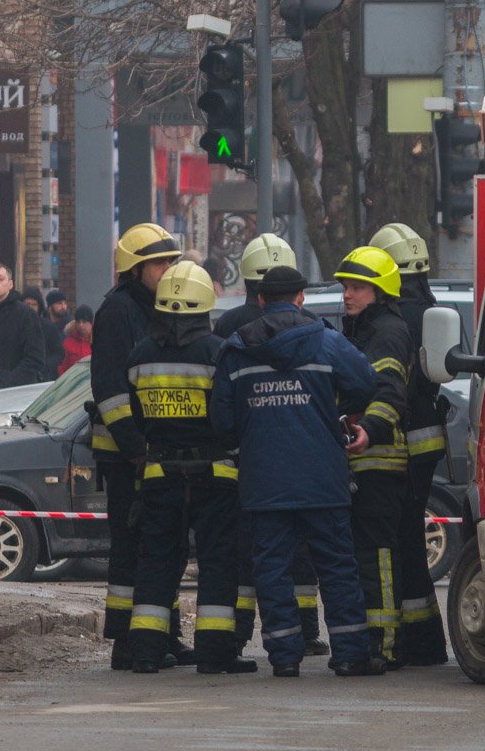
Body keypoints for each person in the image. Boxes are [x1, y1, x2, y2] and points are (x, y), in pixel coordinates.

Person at [211, 265, 385, 678]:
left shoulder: (236, 350)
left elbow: (221, 421)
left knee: (271, 568)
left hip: (263, 480)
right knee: (337, 566)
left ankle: (284, 657)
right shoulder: (328, 343)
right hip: (322, 477)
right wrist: (332, 407)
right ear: (302, 296)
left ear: (259, 299)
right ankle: (350, 654)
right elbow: (365, 382)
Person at [125, 262, 256, 675]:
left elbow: (138, 417)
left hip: (159, 473)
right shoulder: (219, 352)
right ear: (206, 305)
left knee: (156, 561)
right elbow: (231, 416)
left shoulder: (140, 354)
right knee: (218, 562)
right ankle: (215, 655)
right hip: (215, 473)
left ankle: (145, 653)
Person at [213, 233, 327, 657]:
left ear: (247, 281)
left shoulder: (226, 327)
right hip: (301, 459)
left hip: (246, 460)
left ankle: (239, 634)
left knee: (249, 555)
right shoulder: (311, 325)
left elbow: (221, 403)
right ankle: (305, 631)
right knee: (301, 554)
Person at [90, 223, 190, 671]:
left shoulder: (160, 307)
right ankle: (127, 642)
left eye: (172, 261)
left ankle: (162, 633)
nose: (169, 269)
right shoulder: (118, 312)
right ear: (135, 269)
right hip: (127, 453)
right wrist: (134, 447)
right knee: (132, 546)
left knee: (165, 544)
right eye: (160, 262)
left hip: (158, 451)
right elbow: (111, 390)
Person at [368, 223, 448, 666]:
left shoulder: (394, 322)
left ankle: (404, 638)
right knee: (411, 541)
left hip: (399, 442)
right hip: (429, 441)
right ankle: (425, 638)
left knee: (396, 541)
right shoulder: (435, 312)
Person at [333, 246, 412, 668]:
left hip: (378, 459)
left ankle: (381, 642)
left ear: (379, 292)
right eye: (346, 286)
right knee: (363, 551)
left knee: (376, 552)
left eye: (358, 287)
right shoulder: (359, 329)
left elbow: (390, 392)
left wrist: (370, 430)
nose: (348, 294)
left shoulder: (386, 332)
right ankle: (371, 638)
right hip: (360, 455)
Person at [0, 263, 45, 390]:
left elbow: (35, 358)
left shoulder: (25, 314)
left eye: (0, 279)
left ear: (10, 284)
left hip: (15, 393)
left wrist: (8, 380)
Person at [21, 286, 64, 381]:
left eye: (34, 305)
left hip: (43, 378)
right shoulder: (16, 326)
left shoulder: (48, 327)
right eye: (27, 304)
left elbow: (58, 354)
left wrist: (45, 366)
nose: (30, 308)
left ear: (39, 306)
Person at [58, 304, 93, 376]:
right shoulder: (68, 342)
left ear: (91, 323)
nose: (81, 325)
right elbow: (63, 366)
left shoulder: (100, 342)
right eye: (78, 322)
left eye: (84, 321)